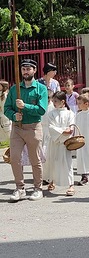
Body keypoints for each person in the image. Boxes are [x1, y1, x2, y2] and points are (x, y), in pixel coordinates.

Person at [4, 59, 48, 201]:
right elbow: (6, 108)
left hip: (33, 127)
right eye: (23, 69)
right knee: (15, 158)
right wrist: (14, 115)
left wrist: (25, 106)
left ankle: (38, 188)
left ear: (34, 71)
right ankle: (20, 188)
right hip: (17, 128)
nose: (26, 71)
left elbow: (42, 110)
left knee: (35, 159)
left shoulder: (40, 88)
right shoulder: (14, 89)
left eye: (29, 69)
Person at [44, 91, 76, 196]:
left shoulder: (70, 113)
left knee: (67, 163)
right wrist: (63, 131)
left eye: (56, 101)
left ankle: (71, 184)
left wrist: (65, 132)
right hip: (54, 142)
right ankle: (52, 181)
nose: (54, 103)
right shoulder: (51, 113)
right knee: (53, 161)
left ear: (63, 101)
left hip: (65, 143)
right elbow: (50, 128)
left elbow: (71, 128)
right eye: (53, 101)